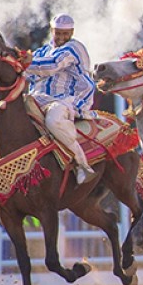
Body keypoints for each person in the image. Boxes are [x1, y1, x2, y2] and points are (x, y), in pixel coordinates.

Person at [21, 14, 97, 184]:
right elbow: (25, 73)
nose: (62, 38)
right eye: (59, 33)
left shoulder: (74, 48)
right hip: (36, 99)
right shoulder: (42, 51)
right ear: (52, 31)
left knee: (54, 120)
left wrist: (25, 63)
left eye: (66, 33)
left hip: (66, 99)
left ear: (72, 32)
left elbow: (52, 65)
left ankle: (82, 164)